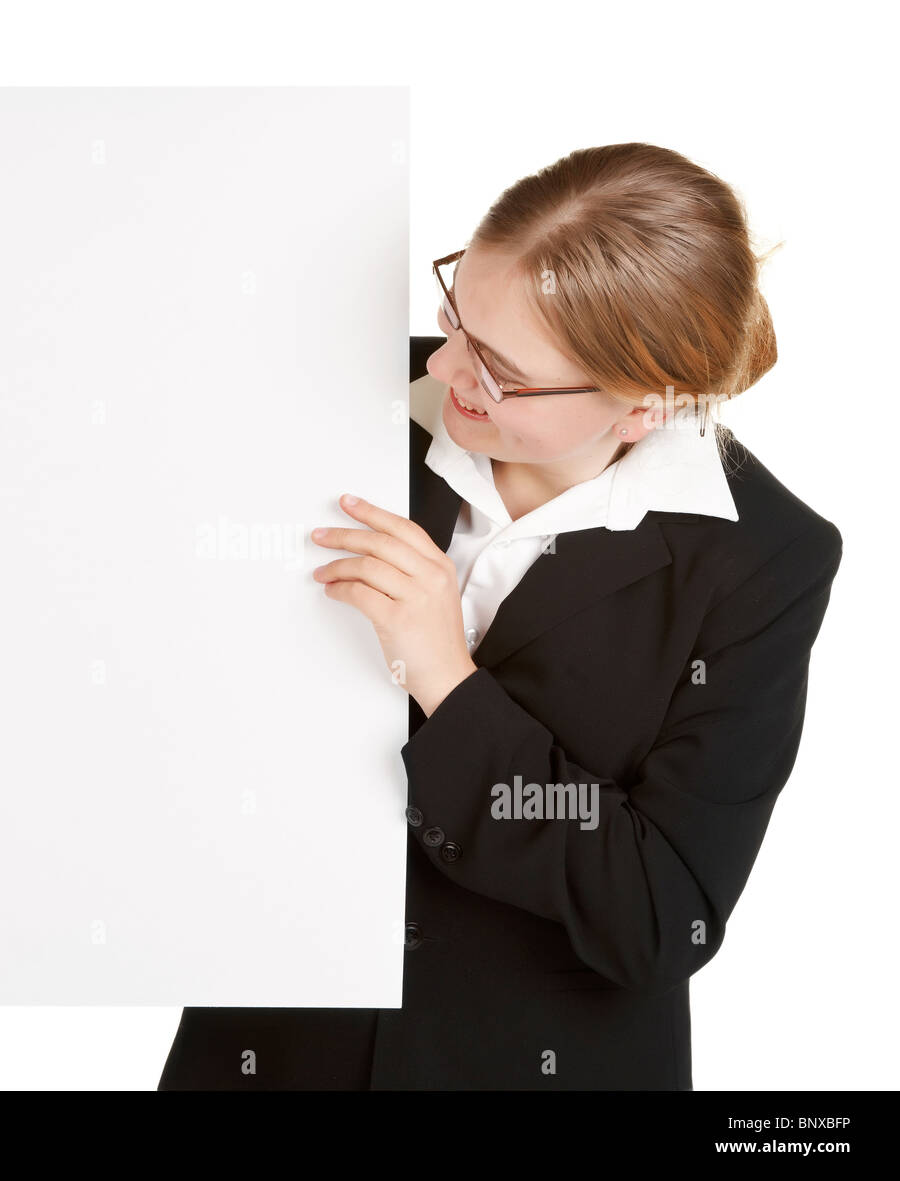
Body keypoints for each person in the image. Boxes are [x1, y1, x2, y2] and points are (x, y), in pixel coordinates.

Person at [157, 142, 842, 1090]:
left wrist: (447, 677)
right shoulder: (336, 400)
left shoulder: (764, 558)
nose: (443, 365)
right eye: (455, 317)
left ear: (643, 405)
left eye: (499, 367)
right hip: (270, 1041)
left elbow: (658, 911)